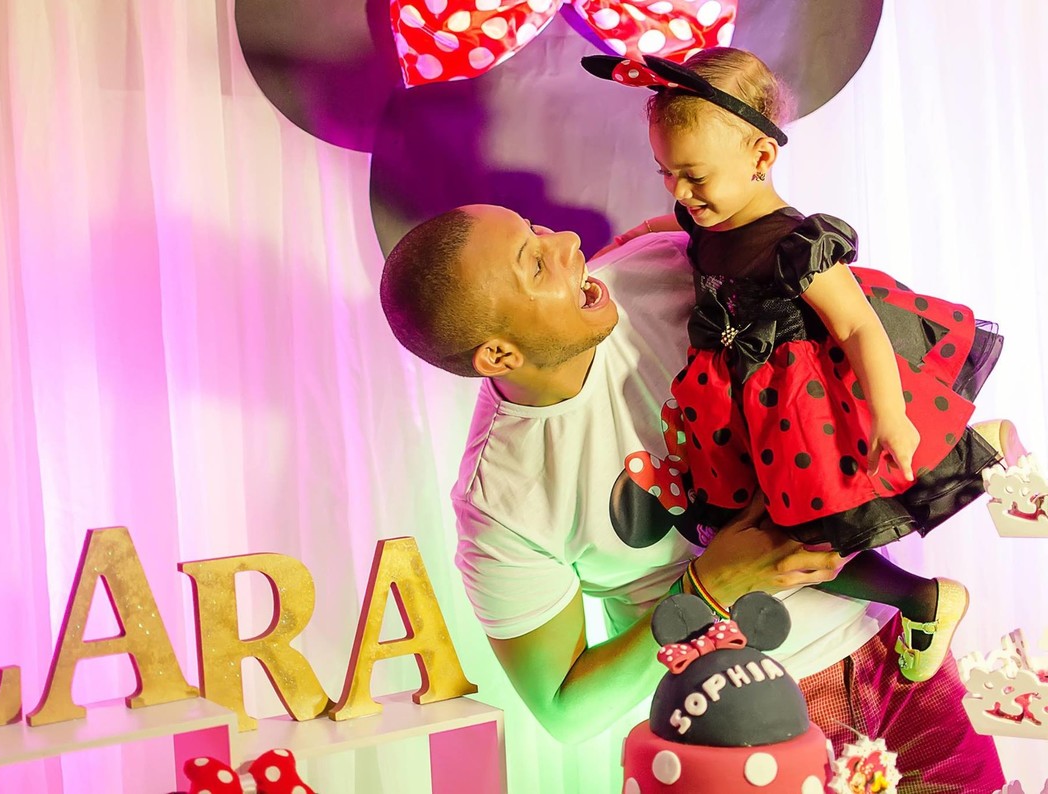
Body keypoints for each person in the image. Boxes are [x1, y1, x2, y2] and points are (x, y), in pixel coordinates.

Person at [378, 203, 1005, 788]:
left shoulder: (664, 268)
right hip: (738, 725)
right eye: (535, 263)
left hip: (896, 649)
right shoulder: (499, 502)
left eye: (537, 230)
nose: (567, 242)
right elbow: (566, 710)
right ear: (498, 354)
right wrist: (708, 589)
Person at [583, 47, 1016, 683]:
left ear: (760, 158)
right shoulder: (706, 217)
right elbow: (677, 231)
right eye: (666, 173)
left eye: (694, 176)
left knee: (811, 535)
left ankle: (970, 468)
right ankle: (926, 597)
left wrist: (890, 416)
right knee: (768, 538)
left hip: (800, 401)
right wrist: (629, 242)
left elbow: (858, 326)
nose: (679, 191)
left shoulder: (795, 244)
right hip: (741, 407)